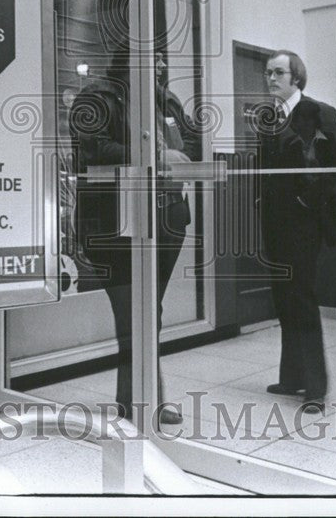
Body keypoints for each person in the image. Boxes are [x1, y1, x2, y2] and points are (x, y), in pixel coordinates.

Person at [69, 48, 199, 424]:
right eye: (152, 57)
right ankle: (137, 403)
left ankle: (143, 397)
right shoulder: (97, 96)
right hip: (114, 222)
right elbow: (90, 151)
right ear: (129, 59)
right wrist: (154, 160)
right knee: (132, 313)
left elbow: (191, 142)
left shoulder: (167, 99)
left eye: (161, 58)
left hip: (168, 216)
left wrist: (179, 157)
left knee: (150, 312)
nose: (160, 64)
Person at [253, 49, 336, 414]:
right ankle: (292, 377)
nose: (271, 78)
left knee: (302, 300)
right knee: (284, 299)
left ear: (296, 78)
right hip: (275, 224)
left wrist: (310, 206)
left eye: (278, 73)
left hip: (306, 225)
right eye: (268, 73)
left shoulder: (320, 112)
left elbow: (334, 170)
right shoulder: (267, 118)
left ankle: (316, 389)